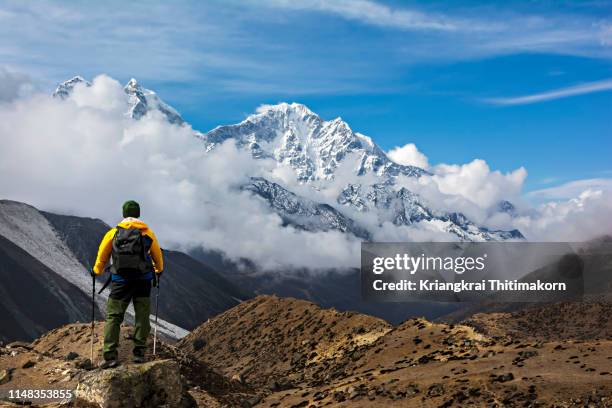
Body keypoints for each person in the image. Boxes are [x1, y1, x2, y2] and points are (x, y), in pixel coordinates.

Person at [92, 200, 163, 368]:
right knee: (142, 316)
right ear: (138, 214)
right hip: (143, 280)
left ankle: (110, 355)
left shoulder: (113, 233)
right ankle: (139, 352)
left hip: (120, 281)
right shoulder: (147, 233)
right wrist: (158, 270)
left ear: (124, 214)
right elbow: (157, 256)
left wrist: (96, 271)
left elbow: (102, 255)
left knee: (114, 317)